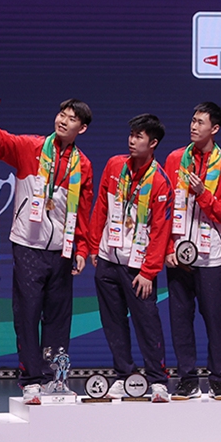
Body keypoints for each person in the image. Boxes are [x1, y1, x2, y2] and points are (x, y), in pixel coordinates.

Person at [0, 95, 94, 404]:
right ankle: (30, 380)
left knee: (58, 317)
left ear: (82, 128)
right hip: (28, 245)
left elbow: (83, 211)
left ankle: (54, 378)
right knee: (27, 314)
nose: (63, 120)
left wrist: (81, 248)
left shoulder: (83, 165)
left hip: (61, 250)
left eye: (71, 118)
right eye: (62, 114)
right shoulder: (31, 147)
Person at [81, 114, 172, 403]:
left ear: (153, 143)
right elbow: (101, 208)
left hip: (138, 267)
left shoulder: (160, 181)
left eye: (139, 136)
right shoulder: (114, 165)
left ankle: (158, 380)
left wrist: (149, 271)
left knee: (147, 323)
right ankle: (124, 374)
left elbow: (161, 231)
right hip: (108, 259)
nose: (132, 141)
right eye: (131, 134)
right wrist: (94, 247)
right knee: (112, 322)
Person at [161, 103, 221, 401]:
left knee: (215, 320)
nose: (193, 126)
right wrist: (168, 247)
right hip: (178, 253)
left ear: (214, 129)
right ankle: (187, 379)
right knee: (180, 320)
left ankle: (219, 378)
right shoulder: (174, 159)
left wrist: (204, 194)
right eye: (192, 120)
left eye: (200, 122)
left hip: (210, 256)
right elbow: (164, 208)